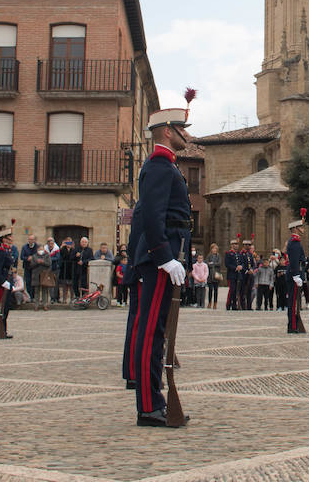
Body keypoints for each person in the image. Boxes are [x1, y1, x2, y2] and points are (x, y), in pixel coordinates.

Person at [127, 103, 193, 427]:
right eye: (183, 129)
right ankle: (148, 406)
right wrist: (164, 257)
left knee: (157, 333)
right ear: (169, 131)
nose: (188, 135)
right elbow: (152, 217)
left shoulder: (167, 167)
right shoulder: (158, 166)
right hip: (157, 262)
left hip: (164, 259)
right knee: (150, 332)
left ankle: (155, 402)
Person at [286, 210, 308, 333]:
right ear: (295, 229)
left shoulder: (296, 241)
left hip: (296, 273)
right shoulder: (294, 242)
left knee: (294, 301)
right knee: (293, 302)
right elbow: (294, 260)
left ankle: (293, 324)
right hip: (294, 274)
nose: (303, 229)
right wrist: (296, 275)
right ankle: (292, 325)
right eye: (300, 227)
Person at [0, 227, 16, 339]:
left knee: (6, 307)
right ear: (4, 239)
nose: (11, 239)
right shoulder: (1, 251)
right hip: (3, 282)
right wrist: (2, 281)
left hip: (8, 280)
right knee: (1, 307)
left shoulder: (7, 250)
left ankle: (4, 329)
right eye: (9, 237)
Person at [205, 242, 221, 310]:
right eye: (213, 249)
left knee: (216, 290)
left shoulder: (218, 256)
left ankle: (215, 303)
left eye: (215, 249)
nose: (214, 250)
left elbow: (219, 263)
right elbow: (207, 263)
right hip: (210, 275)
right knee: (210, 290)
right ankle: (209, 303)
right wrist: (212, 264)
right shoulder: (209, 256)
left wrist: (212, 263)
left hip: (216, 275)